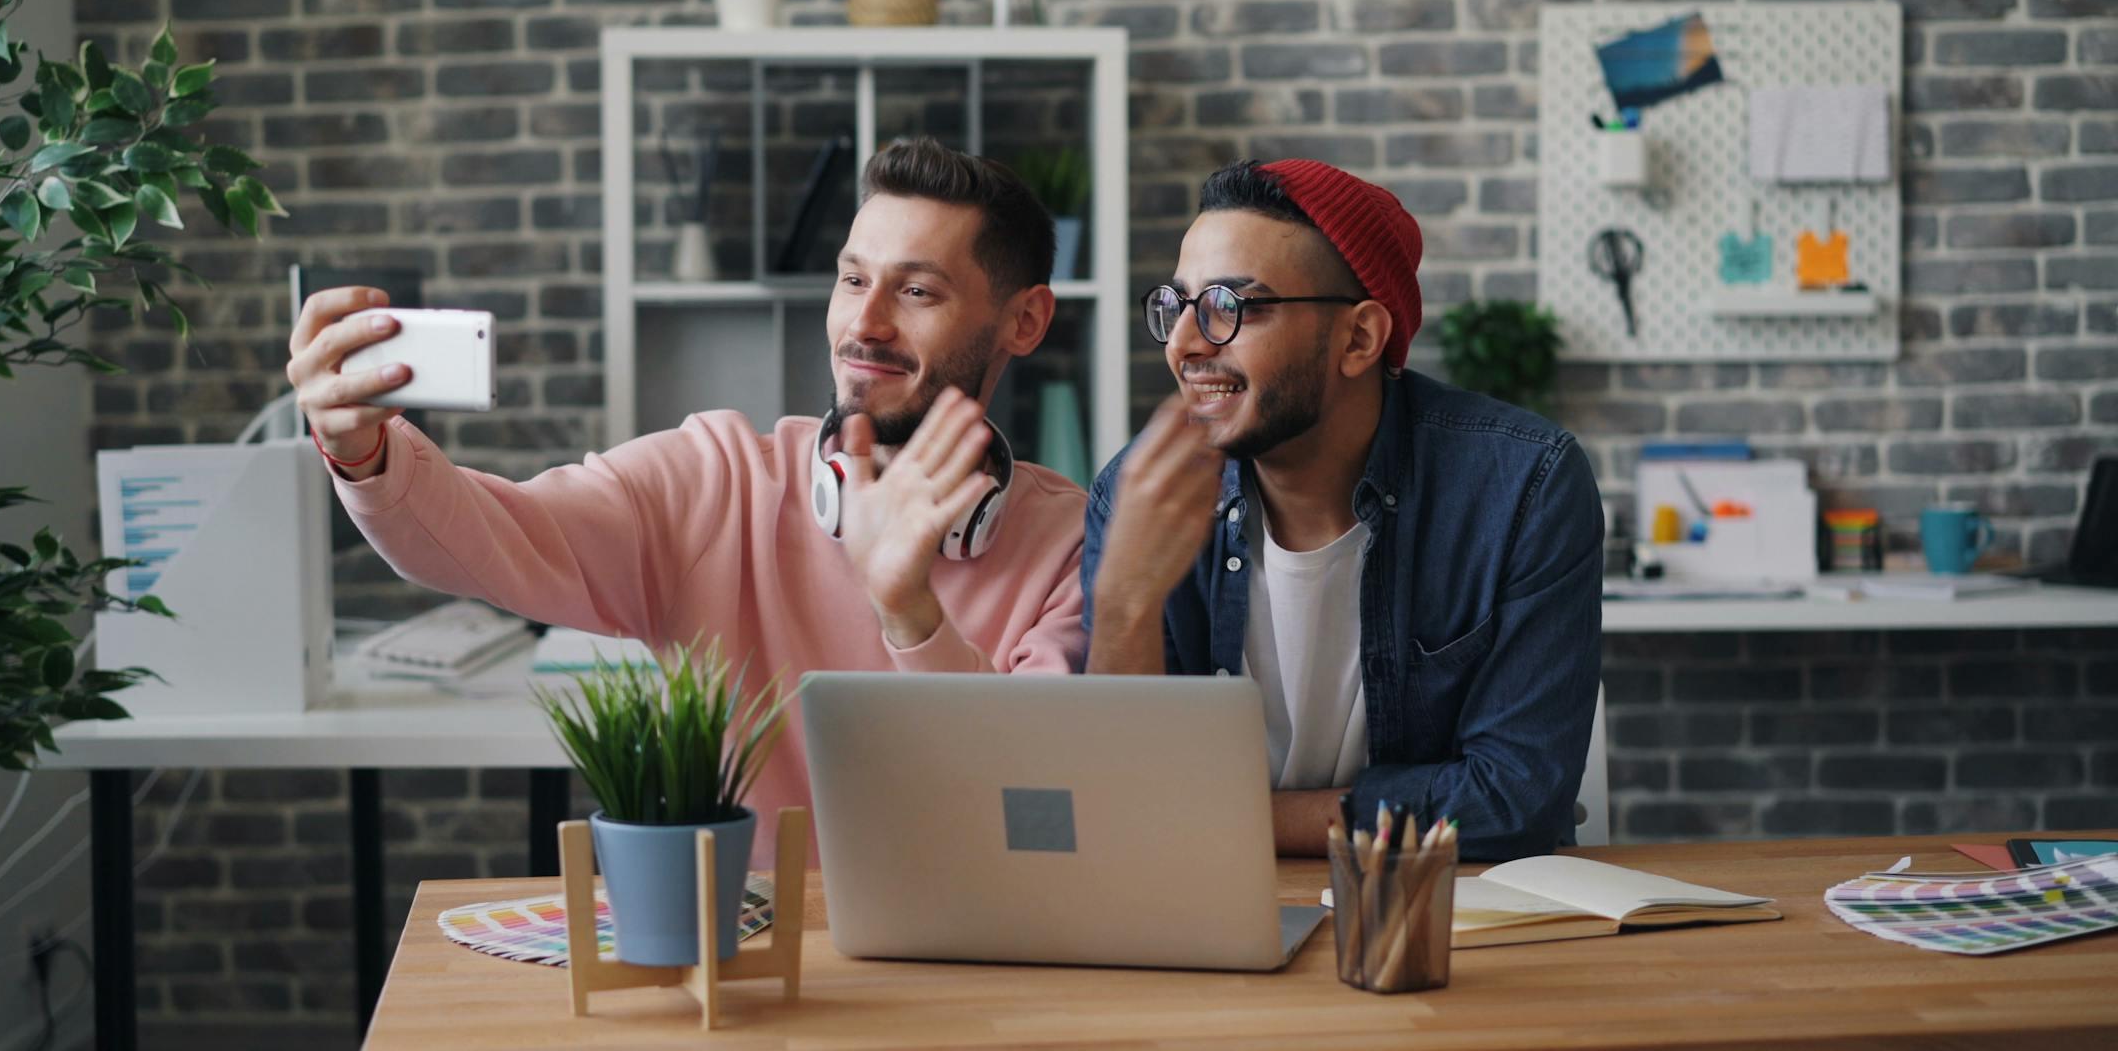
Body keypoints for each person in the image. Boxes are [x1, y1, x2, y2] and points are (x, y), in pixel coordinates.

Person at [287, 137, 1090, 824]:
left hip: (969, 979)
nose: (864, 323)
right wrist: (364, 451)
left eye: (916, 290)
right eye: (852, 279)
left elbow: (1036, 799)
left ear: (1025, 320)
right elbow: (487, 537)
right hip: (750, 966)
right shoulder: (717, 482)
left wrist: (909, 611)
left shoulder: (1072, 546)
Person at [1081, 158, 1601, 862]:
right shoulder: (1136, 495)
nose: (1183, 344)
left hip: (1451, 920)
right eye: (1177, 307)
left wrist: (1231, 818)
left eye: (1230, 307)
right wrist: (1123, 605)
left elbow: (1515, 798)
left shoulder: (1521, 486)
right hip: (1207, 908)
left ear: (1358, 338)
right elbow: (1121, 803)